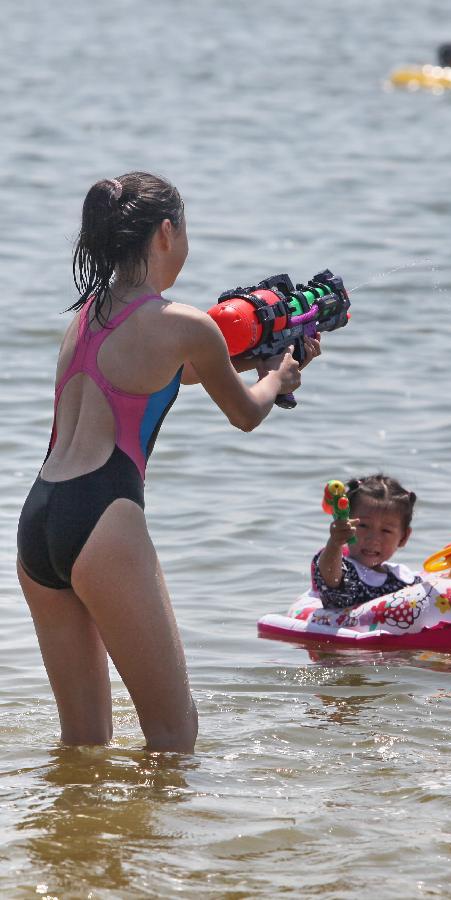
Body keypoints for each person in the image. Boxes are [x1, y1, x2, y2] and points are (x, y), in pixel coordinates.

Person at [16, 171, 319, 752]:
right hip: (105, 516)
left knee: (83, 742)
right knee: (174, 735)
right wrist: (279, 376)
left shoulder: (87, 315)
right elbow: (246, 414)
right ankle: (158, 845)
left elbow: (162, 377)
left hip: (41, 518)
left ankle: (70, 839)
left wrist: (253, 359)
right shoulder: (186, 323)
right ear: (165, 232)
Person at [311, 474, 421, 609]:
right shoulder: (345, 572)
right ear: (347, 523)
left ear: (403, 538)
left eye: (386, 531)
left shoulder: (402, 577)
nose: (373, 539)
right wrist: (335, 543)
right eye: (363, 525)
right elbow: (330, 576)